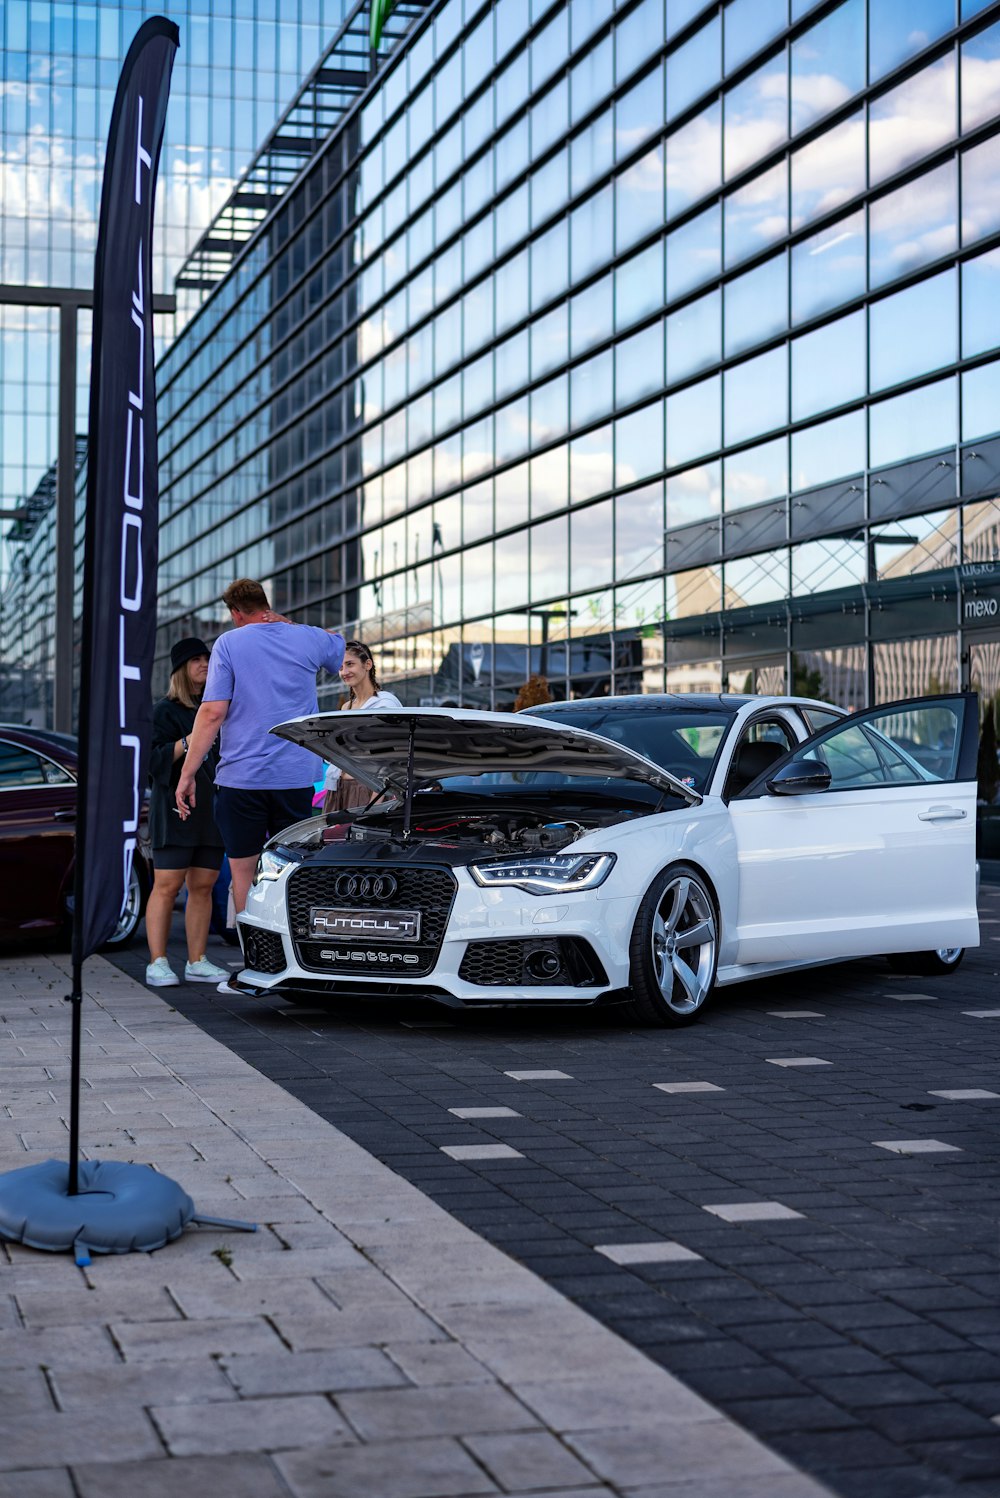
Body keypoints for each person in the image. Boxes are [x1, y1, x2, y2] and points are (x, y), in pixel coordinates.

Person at [175, 579, 345, 931]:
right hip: (296, 777)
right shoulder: (306, 637)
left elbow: (212, 713)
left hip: (242, 779)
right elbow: (338, 644)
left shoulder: (229, 643)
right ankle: (294, 953)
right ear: (265, 606)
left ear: (235, 613)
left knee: (244, 871)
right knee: (293, 867)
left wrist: (187, 774)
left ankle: (253, 959)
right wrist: (287, 623)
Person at [145, 638, 228, 988]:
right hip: (173, 808)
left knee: (204, 885)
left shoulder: (219, 706)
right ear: (181, 668)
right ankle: (157, 962)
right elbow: (151, 761)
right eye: (196, 659)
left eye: (207, 658)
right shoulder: (164, 710)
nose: (204, 664)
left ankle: (197, 960)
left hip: (211, 808)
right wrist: (192, 739)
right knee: (167, 885)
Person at [323, 641, 402, 814]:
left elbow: (388, 759)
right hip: (338, 789)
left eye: (350, 664)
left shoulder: (385, 705)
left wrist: (374, 803)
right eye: (340, 667)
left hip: (367, 790)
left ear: (367, 664)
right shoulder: (346, 707)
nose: (344, 672)